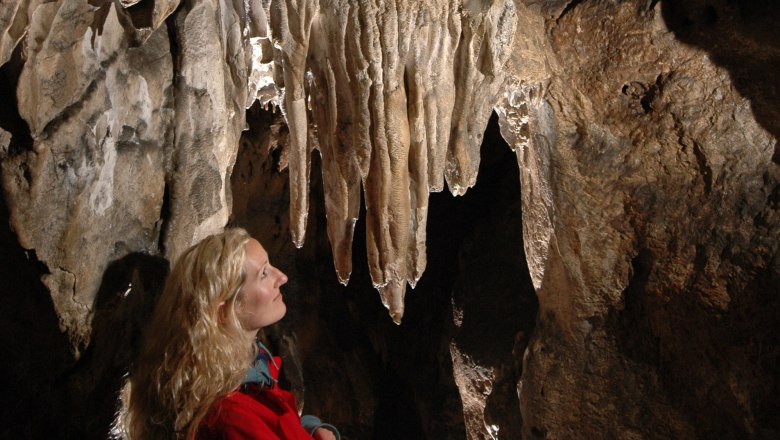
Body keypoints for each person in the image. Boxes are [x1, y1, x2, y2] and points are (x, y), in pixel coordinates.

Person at [123, 228, 339, 440]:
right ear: (225, 311)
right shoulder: (231, 418)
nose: (281, 277)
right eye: (263, 273)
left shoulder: (246, 370)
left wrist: (308, 428)